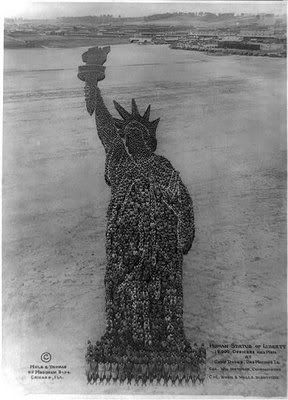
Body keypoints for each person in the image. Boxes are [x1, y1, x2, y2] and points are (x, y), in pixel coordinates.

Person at [81, 46, 200, 384]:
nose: (128, 137)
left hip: (159, 248)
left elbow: (182, 201)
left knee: (161, 292)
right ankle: (120, 338)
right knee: (120, 289)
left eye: (136, 134)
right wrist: (92, 87)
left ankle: (167, 344)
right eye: (127, 134)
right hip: (123, 245)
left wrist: (184, 235)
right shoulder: (119, 161)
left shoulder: (161, 168)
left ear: (149, 140)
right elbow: (105, 127)